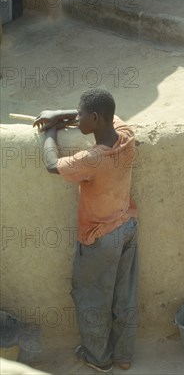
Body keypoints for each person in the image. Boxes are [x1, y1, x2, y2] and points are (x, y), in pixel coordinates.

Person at [34, 89, 138, 373]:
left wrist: (50, 133)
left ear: (94, 118)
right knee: (124, 294)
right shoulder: (126, 134)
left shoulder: (92, 159)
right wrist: (62, 114)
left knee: (93, 298)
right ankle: (124, 356)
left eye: (80, 114)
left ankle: (98, 357)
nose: (76, 117)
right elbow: (109, 113)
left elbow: (52, 164)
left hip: (100, 237)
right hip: (127, 226)